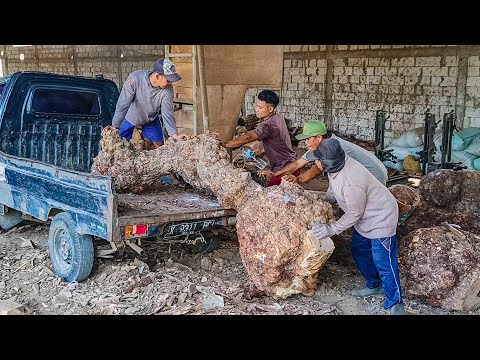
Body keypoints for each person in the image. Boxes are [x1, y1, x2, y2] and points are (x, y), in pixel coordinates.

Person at [311, 138, 404, 315]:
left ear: (327, 162)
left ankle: (395, 302)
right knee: (359, 251)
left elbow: (354, 213)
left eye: (318, 160)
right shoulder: (336, 166)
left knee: (383, 261)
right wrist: (323, 202)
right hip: (365, 218)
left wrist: (331, 229)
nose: (316, 162)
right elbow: (333, 188)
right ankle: (374, 285)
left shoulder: (352, 181)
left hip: (380, 219)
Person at [274, 119, 388, 186]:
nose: (306, 142)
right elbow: (298, 163)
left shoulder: (332, 148)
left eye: (308, 138)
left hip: (374, 174)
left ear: (319, 137)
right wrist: (274, 174)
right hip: (376, 169)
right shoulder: (323, 144)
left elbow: (318, 168)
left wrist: (299, 179)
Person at [224, 90, 298, 186]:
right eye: (257, 106)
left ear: (271, 109)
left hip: (284, 169)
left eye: (260, 107)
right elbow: (276, 140)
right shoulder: (278, 117)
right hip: (292, 165)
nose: (256, 109)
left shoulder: (266, 126)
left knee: (275, 197)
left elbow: (248, 138)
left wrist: (225, 144)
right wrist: (261, 151)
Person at [111, 58, 188, 148]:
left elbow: (167, 112)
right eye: (168, 80)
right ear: (157, 76)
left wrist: (174, 134)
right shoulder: (135, 79)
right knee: (118, 146)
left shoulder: (168, 89)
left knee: (159, 147)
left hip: (150, 120)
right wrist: (115, 125)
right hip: (130, 119)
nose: (170, 83)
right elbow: (123, 104)